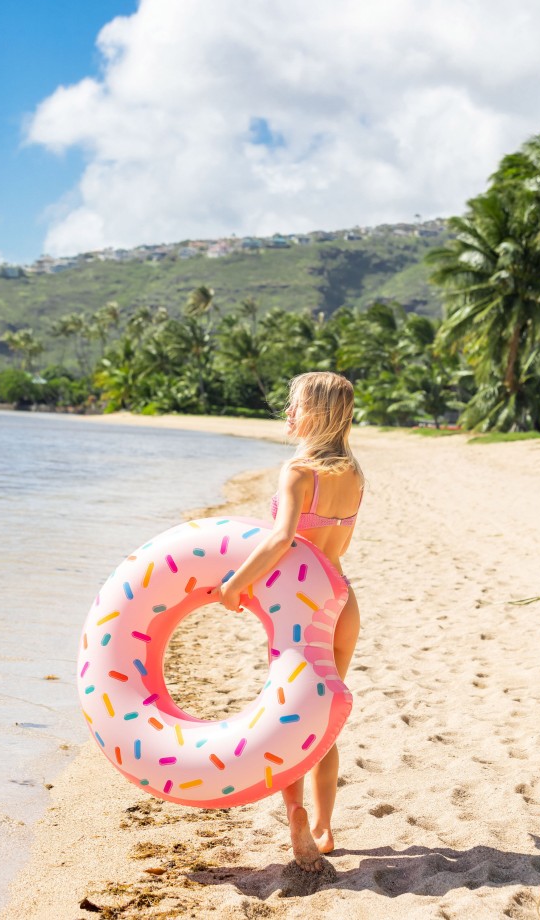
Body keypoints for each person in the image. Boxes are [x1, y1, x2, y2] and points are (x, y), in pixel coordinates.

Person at [219, 371, 364, 873]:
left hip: (303, 613)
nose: (288, 413)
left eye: (295, 405)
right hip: (343, 602)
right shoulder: (353, 473)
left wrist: (235, 584)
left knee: (291, 722)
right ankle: (326, 827)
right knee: (323, 723)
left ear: (317, 413)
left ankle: (297, 820)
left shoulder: (299, 471)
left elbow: (281, 539)